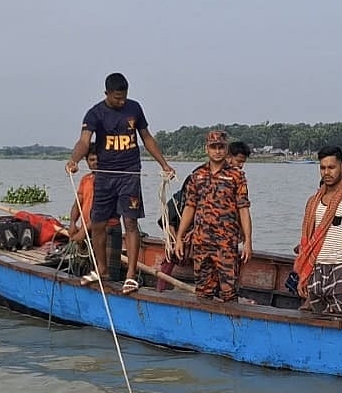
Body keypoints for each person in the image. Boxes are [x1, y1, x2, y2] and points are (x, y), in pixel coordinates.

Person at [65, 72, 176, 294]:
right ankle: (101, 269)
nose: (121, 101)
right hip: (105, 176)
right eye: (117, 98)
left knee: (131, 223)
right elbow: (84, 141)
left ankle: (131, 275)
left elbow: (146, 137)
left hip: (129, 174)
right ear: (107, 93)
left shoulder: (134, 108)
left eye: (124, 96)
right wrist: (74, 160)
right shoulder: (95, 113)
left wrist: (164, 164)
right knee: (97, 224)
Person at [174, 131, 253, 302]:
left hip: (226, 244)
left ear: (226, 150)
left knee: (229, 293)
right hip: (201, 243)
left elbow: (243, 209)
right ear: (207, 149)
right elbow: (189, 207)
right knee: (203, 292)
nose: (217, 151)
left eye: (221, 147)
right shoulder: (197, 176)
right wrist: (179, 237)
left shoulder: (236, 176)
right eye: (213, 147)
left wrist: (248, 241)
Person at [294, 146, 342, 316]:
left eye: (331, 167)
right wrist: (303, 276)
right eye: (323, 168)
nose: (327, 172)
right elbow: (308, 241)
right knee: (317, 321)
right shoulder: (313, 202)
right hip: (317, 268)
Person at [67, 148, 123, 280]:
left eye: (98, 159)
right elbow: (77, 204)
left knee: (108, 274)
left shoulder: (111, 180)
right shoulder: (86, 180)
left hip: (107, 229)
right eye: (91, 160)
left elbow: (103, 212)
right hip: (89, 230)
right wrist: (72, 223)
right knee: (91, 270)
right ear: (86, 161)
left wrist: (82, 232)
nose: (95, 162)